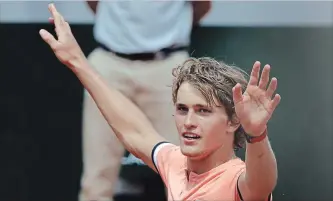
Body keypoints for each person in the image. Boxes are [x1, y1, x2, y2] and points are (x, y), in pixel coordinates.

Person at [40, 4, 280, 201]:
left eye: (203, 111)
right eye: (182, 109)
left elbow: (261, 184)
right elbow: (133, 129)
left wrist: (257, 135)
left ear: (232, 121)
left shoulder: (237, 180)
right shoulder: (173, 162)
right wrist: (77, 61)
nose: (188, 122)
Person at [80, 1, 211, 200]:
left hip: (168, 66)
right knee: (97, 177)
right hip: (110, 63)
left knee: (185, 173)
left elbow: (202, 5)